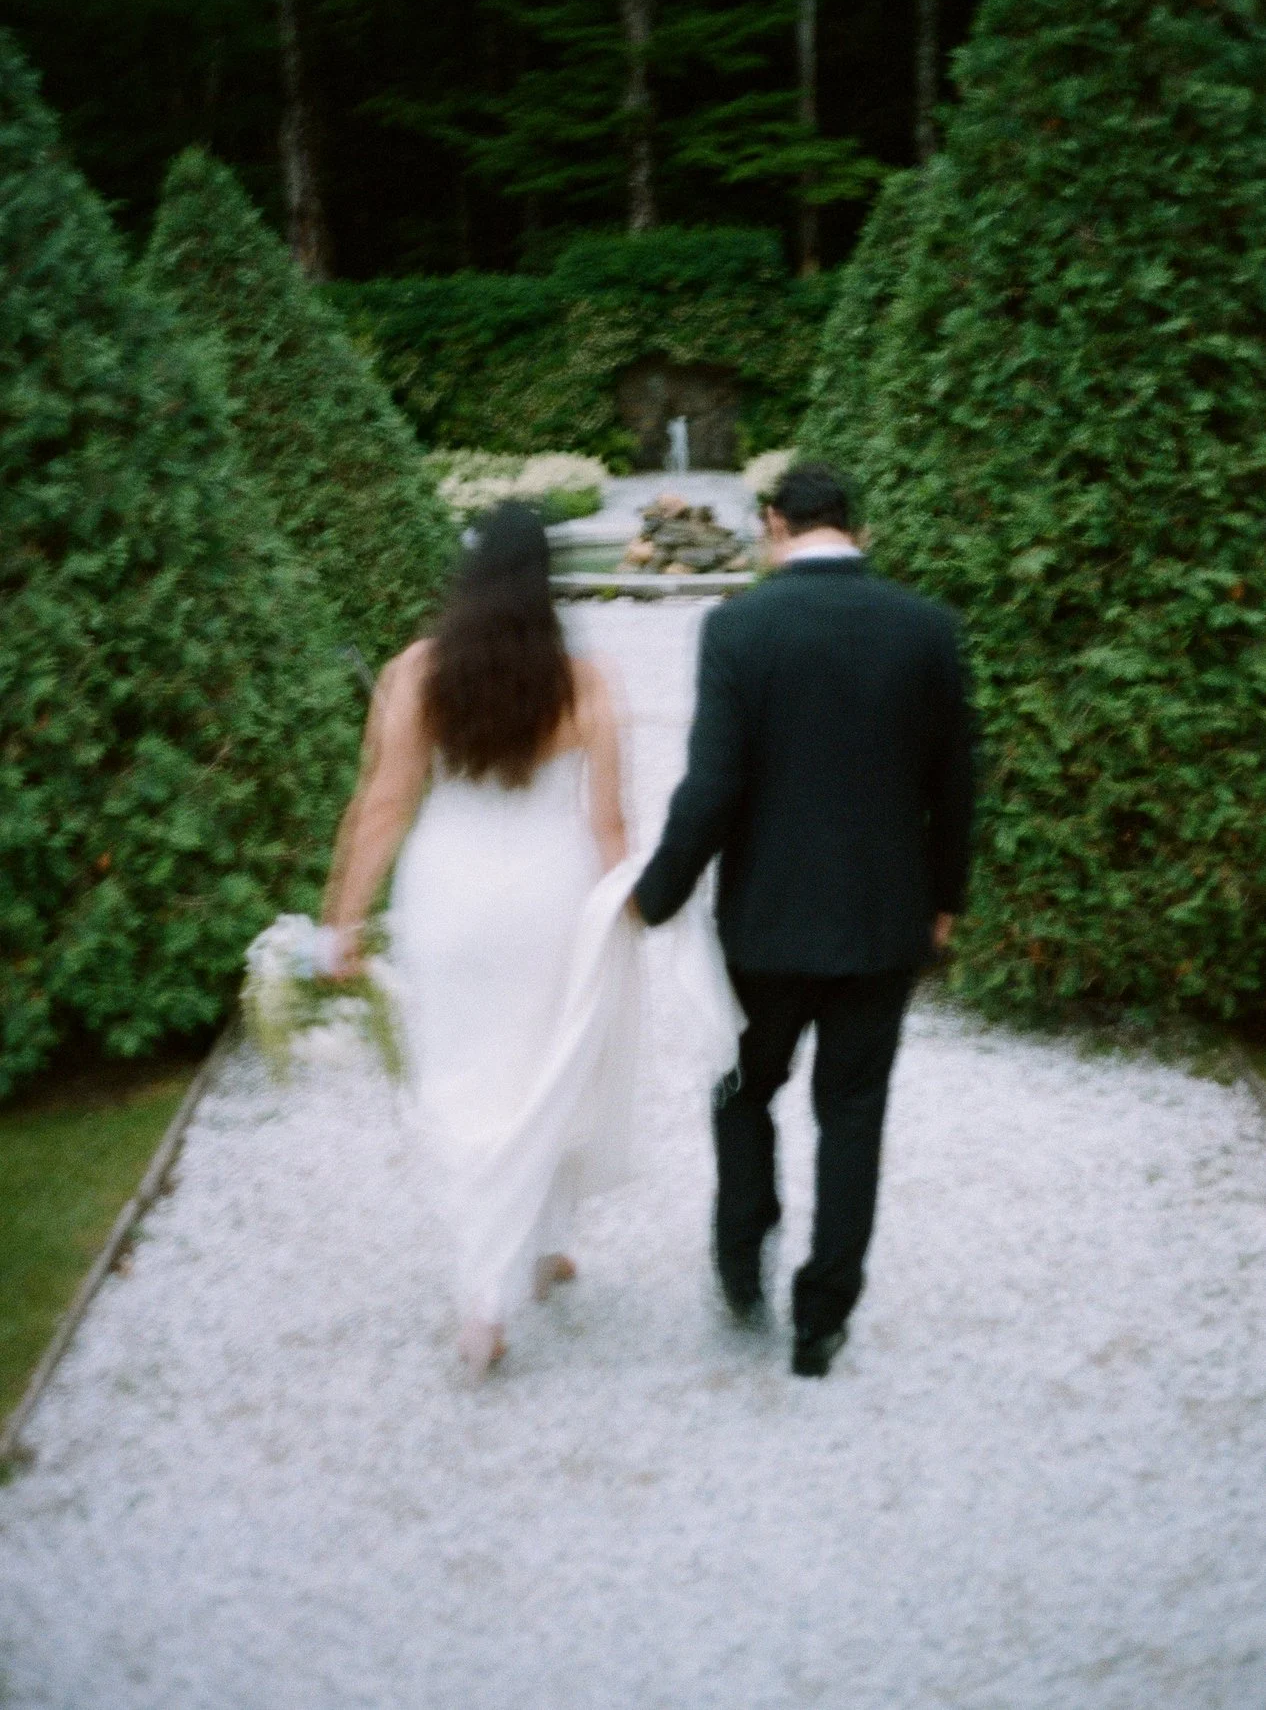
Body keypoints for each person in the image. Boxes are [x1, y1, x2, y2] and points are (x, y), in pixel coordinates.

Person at [633, 462, 974, 1378]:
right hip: (884, 921)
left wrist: (656, 894)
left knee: (745, 1090)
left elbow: (713, 787)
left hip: (766, 925)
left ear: (776, 524)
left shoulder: (739, 626)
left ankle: (743, 1257)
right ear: (852, 525)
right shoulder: (929, 629)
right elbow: (956, 785)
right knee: (854, 1114)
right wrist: (945, 902)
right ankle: (822, 1318)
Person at [322, 503, 637, 1379]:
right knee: (547, 1066)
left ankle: (484, 1297)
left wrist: (341, 920)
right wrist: (635, 908)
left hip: (450, 897)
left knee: (466, 1078)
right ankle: (540, 1248)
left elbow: (382, 806)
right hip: (553, 894)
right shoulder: (588, 681)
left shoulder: (416, 672)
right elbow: (610, 823)